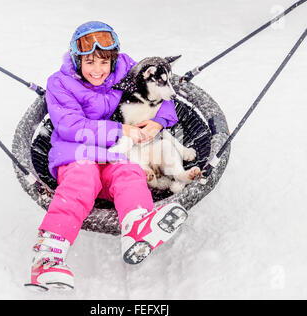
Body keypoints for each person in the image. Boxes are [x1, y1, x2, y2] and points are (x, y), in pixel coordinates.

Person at [26, 21, 188, 291]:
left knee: (130, 173)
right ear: (77, 60)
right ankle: (47, 257)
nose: (98, 71)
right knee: (83, 179)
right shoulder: (61, 83)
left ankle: (137, 226)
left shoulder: (127, 68)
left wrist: (159, 122)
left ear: (114, 59)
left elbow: (162, 95)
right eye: (89, 62)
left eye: (104, 62)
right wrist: (120, 130)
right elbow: (71, 127)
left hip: (119, 154)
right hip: (77, 153)